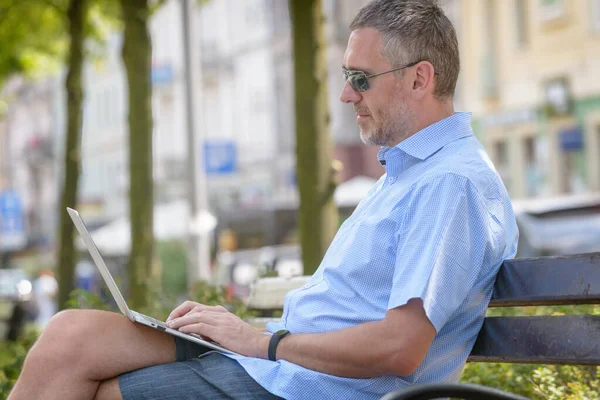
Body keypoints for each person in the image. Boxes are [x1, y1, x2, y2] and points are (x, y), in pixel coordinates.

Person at [9, 1, 518, 399]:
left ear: (420, 78)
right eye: (345, 78)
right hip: (278, 368)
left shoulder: (452, 183)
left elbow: (401, 348)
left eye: (360, 79)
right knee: (70, 334)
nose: (346, 96)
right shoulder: (409, 175)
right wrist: (243, 334)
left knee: (86, 390)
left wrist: (263, 343)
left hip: (304, 386)